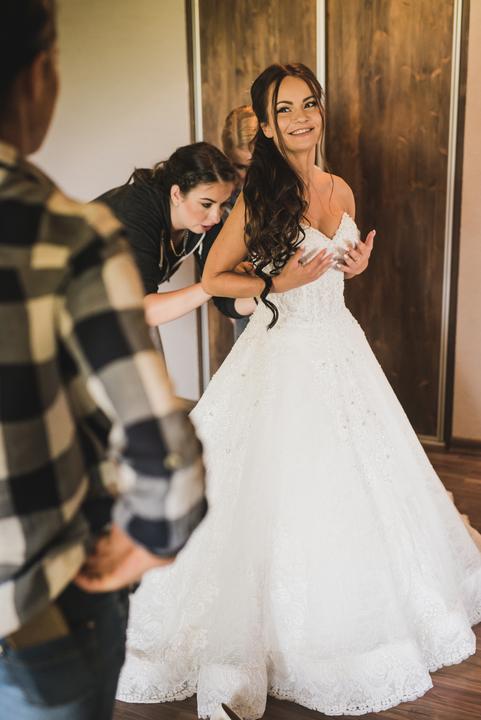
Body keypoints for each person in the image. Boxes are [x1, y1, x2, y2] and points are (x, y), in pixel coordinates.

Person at [116, 63, 481, 719]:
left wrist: (354, 265)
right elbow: (216, 278)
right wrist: (276, 285)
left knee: (365, 480)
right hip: (282, 351)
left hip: (340, 347)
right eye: (284, 109)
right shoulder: (259, 192)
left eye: (308, 103)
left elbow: (332, 269)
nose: (300, 117)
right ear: (265, 124)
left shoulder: (338, 186)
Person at [0, 2, 206, 719]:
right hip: (39, 610)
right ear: (40, 75)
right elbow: (165, 453)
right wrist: (149, 539)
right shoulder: (66, 232)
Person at [98, 143, 255, 326]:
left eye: (223, 204)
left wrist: (266, 293)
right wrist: (214, 283)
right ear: (176, 194)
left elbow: (225, 301)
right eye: (206, 204)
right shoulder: (136, 212)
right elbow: (142, 311)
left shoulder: (206, 223)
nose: (216, 216)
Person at [221, 105, 258, 338]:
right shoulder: (222, 199)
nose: (249, 174)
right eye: (240, 167)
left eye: (254, 165)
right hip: (245, 303)